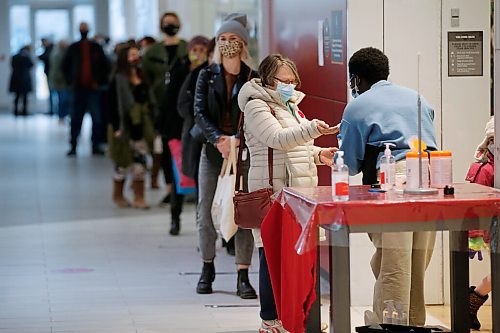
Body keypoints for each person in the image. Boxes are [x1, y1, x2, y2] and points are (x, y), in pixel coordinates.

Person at [238, 54, 338, 332]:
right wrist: (312, 130)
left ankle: (297, 315)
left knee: (297, 259)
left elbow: (298, 149)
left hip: (296, 191)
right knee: (271, 256)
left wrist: (320, 155)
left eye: (293, 81)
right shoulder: (257, 106)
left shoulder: (292, 106)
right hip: (272, 192)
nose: (289, 85)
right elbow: (277, 140)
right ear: (268, 79)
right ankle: (270, 319)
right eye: (284, 80)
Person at [338, 47, 438, 325]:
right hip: (429, 177)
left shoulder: (357, 107)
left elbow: (351, 164)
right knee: (415, 262)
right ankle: (414, 323)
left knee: (393, 262)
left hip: (390, 180)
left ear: (356, 79)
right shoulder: (418, 98)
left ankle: (389, 325)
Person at [193, 13, 257, 298]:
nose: (227, 44)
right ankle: (207, 267)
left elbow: (258, 114)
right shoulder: (206, 75)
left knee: (243, 212)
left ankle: (243, 274)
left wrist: (239, 140)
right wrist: (218, 138)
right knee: (206, 210)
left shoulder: (253, 77)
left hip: (244, 155)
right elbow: (199, 111)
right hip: (213, 151)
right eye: (222, 39)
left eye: (233, 39)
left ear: (242, 44)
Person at [141, 11, 189, 235]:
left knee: (184, 155)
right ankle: (172, 197)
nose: (171, 26)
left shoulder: (188, 48)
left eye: (174, 23)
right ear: (161, 26)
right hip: (163, 110)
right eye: (167, 23)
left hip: (185, 111)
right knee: (168, 154)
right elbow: (145, 81)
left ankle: (183, 191)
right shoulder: (152, 52)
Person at [107, 44, 156, 210]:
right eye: (131, 55)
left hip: (141, 126)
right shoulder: (118, 79)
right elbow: (111, 106)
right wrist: (116, 127)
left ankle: (139, 196)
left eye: (137, 54)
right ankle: (117, 195)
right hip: (124, 126)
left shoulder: (143, 76)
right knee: (123, 162)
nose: (135, 58)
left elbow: (149, 100)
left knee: (140, 162)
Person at [63, 22, 110, 156]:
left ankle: (95, 145)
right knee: (76, 118)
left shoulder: (96, 48)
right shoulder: (73, 48)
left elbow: (103, 67)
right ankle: (73, 145)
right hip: (77, 89)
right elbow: (65, 66)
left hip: (93, 89)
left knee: (97, 118)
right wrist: (70, 82)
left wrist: (98, 81)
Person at [465, 116, 494, 330]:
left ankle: (471, 301)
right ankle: (471, 302)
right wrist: (475, 236)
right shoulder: (484, 169)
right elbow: (474, 205)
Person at [49, 40, 71, 123]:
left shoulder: (61, 54)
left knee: (64, 100)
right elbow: (56, 69)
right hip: (60, 81)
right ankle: (61, 116)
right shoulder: (57, 55)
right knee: (62, 100)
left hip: (62, 81)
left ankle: (63, 115)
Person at [9, 45, 33, 116]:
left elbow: (12, 65)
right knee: (23, 97)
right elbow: (31, 65)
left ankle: (16, 111)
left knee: (17, 96)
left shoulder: (14, 56)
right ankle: (24, 111)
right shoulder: (26, 57)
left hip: (16, 79)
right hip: (24, 79)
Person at [38, 38, 54, 115]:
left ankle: (52, 110)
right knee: (51, 92)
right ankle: (51, 109)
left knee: (53, 92)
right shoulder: (49, 49)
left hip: (52, 73)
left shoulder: (51, 49)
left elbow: (45, 57)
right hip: (50, 73)